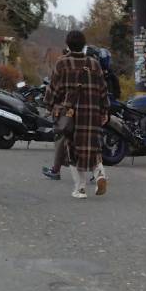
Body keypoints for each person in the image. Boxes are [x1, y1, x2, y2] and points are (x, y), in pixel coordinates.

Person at [44, 30, 109, 198]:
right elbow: (103, 89)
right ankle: (100, 174)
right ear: (83, 44)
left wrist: (49, 105)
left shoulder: (62, 63)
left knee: (72, 148)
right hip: (92, 112)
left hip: (70, 114)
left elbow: (53, 88)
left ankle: (80, 189)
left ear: (68, 45)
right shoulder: (94, 64)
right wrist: (104, 110)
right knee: (92, 147)